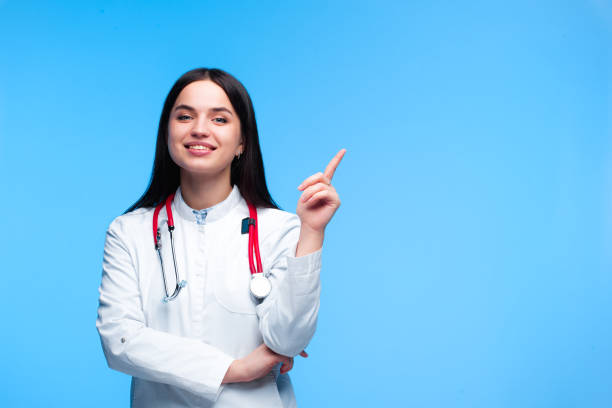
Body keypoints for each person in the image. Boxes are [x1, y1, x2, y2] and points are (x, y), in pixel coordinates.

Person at [95, 67, 345, 407]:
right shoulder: (129, 232)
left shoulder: (280, 230)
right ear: (167, 132)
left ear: (242, 141)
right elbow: (120, 342)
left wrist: (312, 233)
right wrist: (233, 369)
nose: (199, 130)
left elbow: (287, 339)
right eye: (185, 116)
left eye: (219, 119)